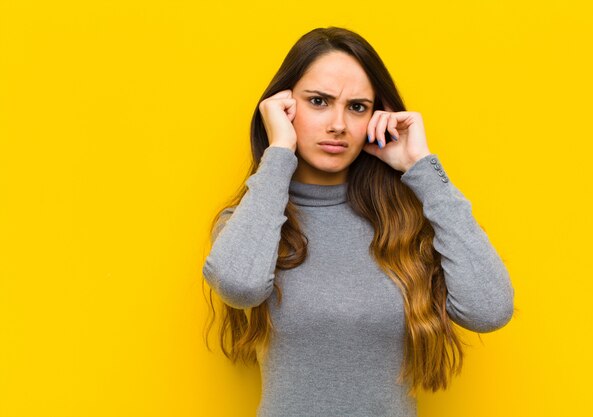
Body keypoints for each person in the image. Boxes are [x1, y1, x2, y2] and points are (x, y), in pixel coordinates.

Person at [202, 26, 515, 417]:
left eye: (357, 107)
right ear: (283, 107)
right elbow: (239, 285)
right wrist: (279, 150)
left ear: (375, 116)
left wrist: (422, 168)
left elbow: (489, 309)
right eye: (319, 101)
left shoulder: (408, 224)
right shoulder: (250, 225)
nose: (338, 124)